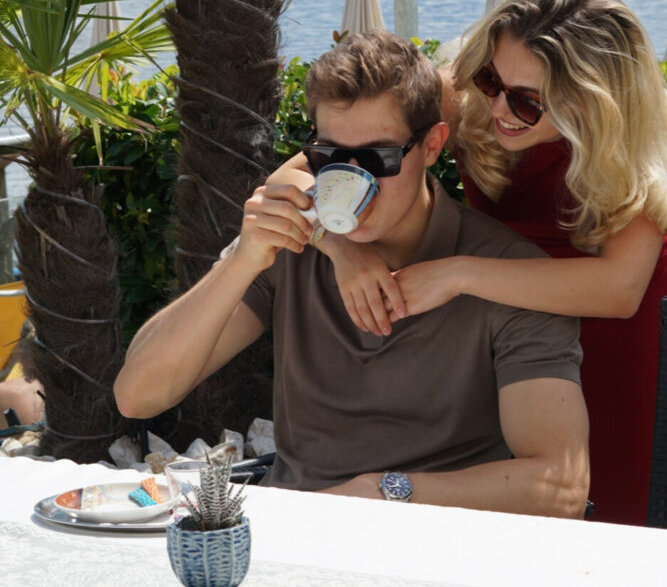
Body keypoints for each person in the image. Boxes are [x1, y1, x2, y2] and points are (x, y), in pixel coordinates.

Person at [115, 30, 589, 517]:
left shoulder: (505, 274)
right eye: (329, 157)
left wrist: (383, 492)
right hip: (293, 530)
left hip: (437, 535)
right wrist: (242, 261)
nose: (350, 181)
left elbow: (561, 488)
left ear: (432, 146)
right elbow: (138, 396)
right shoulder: (292, 242)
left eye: (378, 159)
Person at [316, 0, 667, 527]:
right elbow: (300, 176)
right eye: (491, 78)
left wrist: (458, 274)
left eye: (527, 100)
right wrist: (342, 248)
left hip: (621, 348)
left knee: (620, 518)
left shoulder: (630, 143)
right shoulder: (466, 93)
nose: (499, 106)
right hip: (517, 334)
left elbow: (619, 291)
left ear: (592, 97)